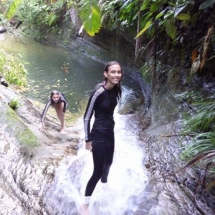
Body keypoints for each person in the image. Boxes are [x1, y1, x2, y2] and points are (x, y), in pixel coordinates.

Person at [83, 61, 123, 207]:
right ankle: (85, 203)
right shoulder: (98, 92)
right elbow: (87, 117)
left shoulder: (116, 89)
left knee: (109, 163)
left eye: (118, 72)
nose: (116, 75)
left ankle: (104, 186)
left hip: (109, 133)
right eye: (113, 72)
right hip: (98, 135)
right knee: (98, 172)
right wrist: (88, 140)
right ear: (105, 74)